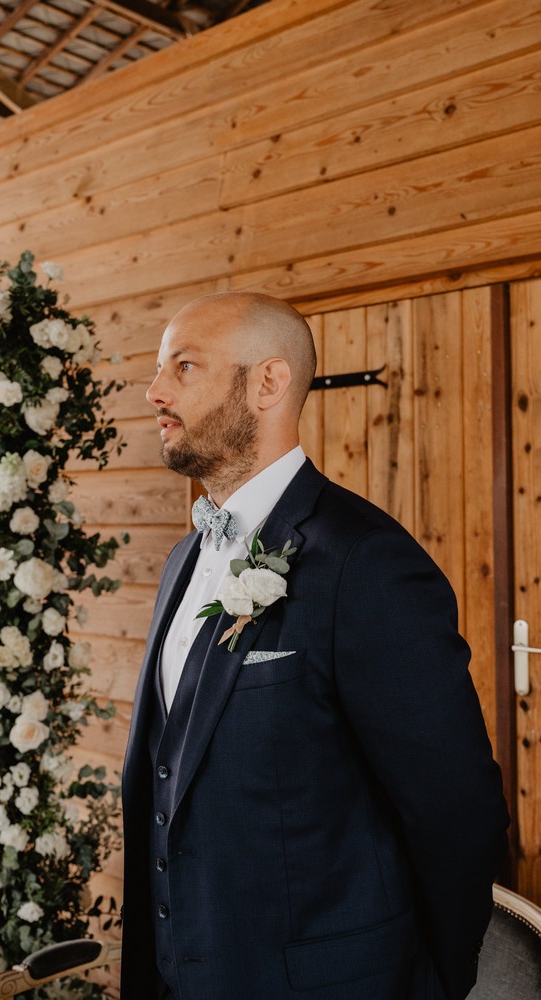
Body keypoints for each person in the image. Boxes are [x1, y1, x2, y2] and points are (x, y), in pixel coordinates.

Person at [119, 291, 509, 1000]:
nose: (154, 392)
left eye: (183, 367)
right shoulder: (183, 561)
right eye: (158, 370)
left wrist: (431, 980)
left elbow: (453, 809)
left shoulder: (366, 562)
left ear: (267, 382)